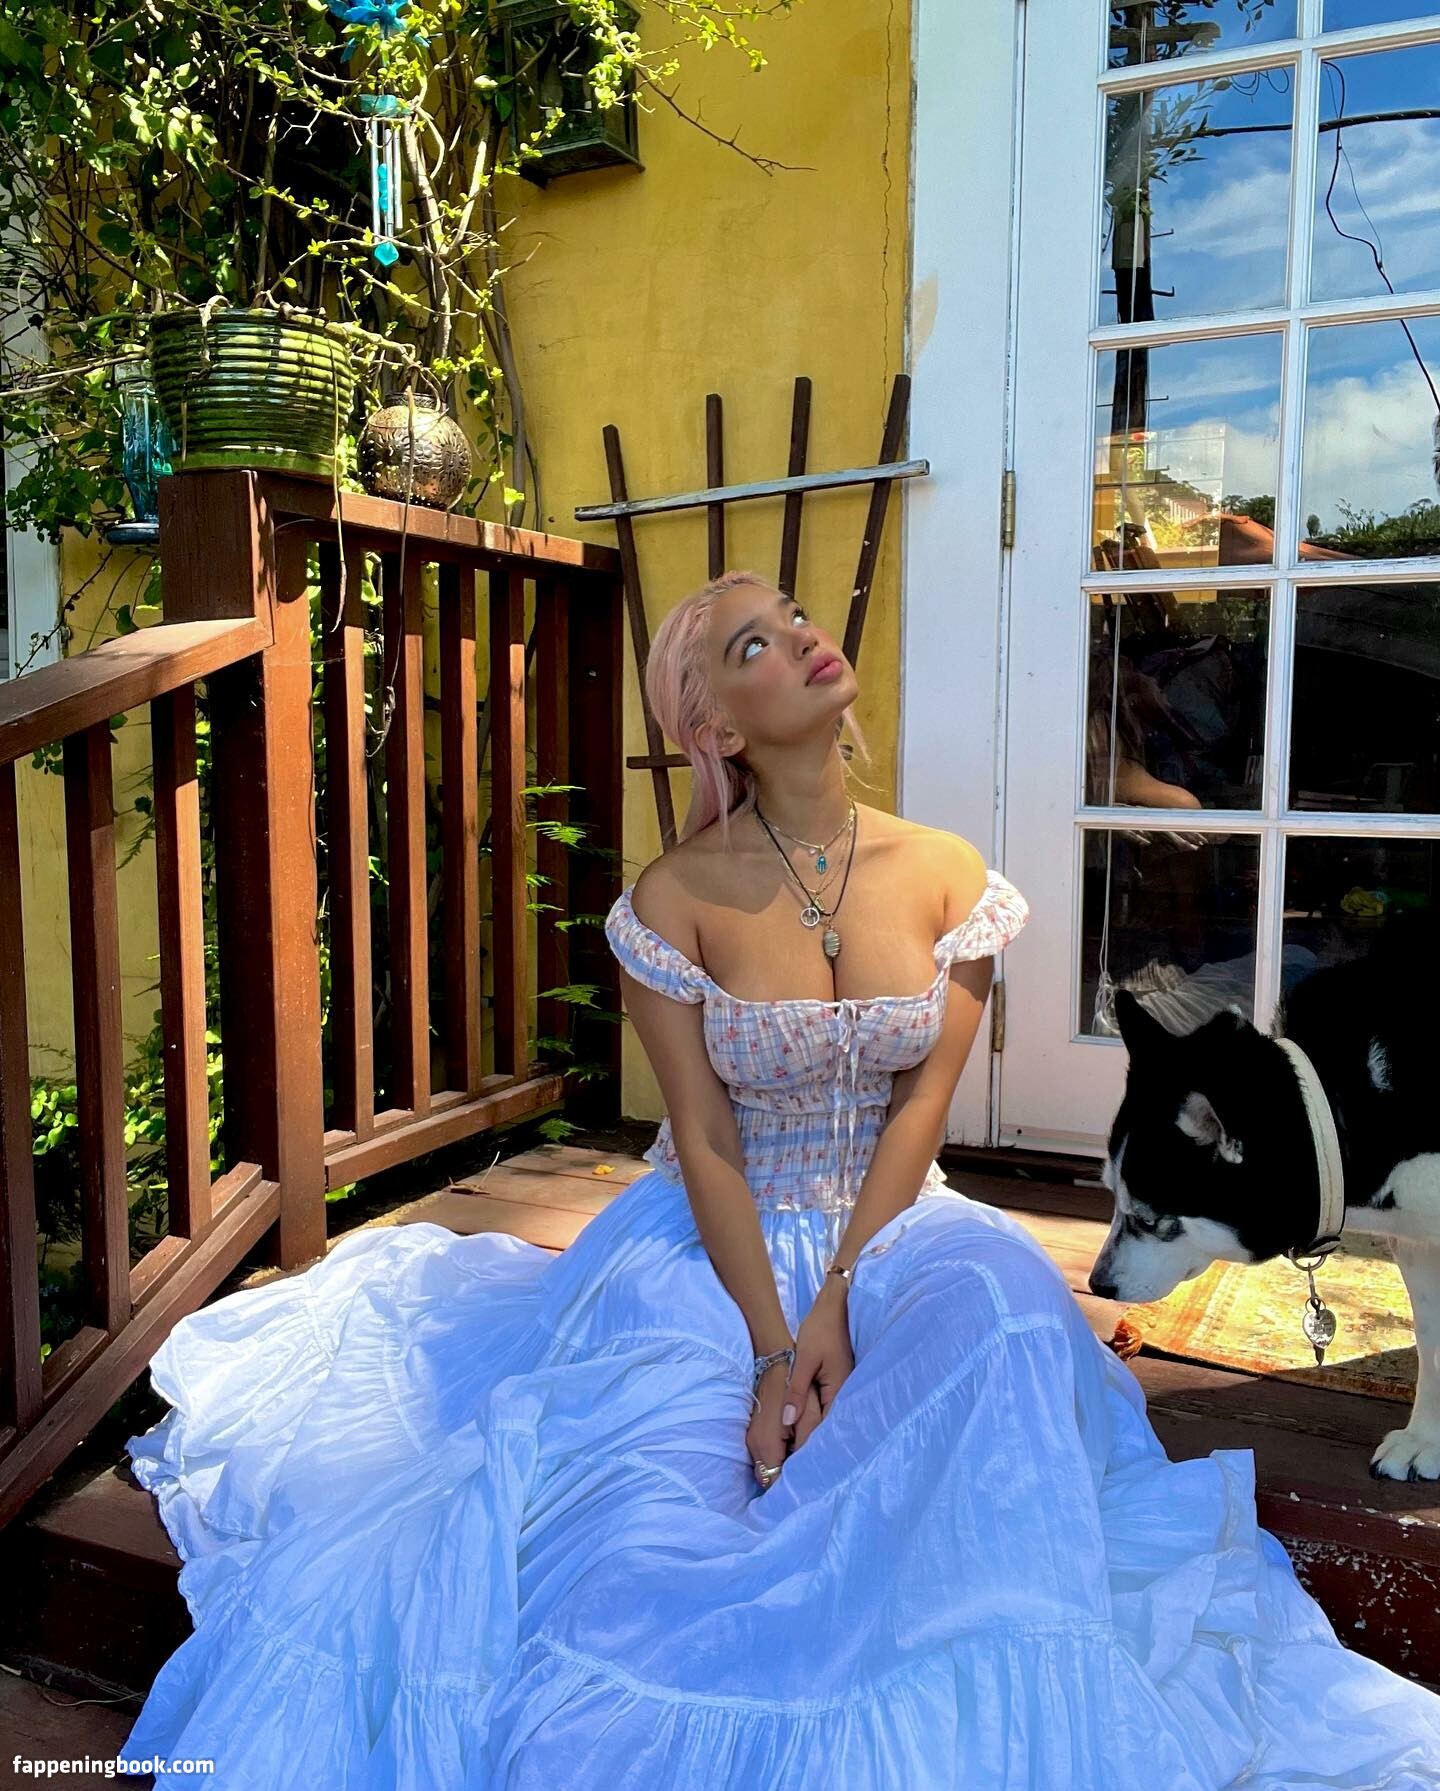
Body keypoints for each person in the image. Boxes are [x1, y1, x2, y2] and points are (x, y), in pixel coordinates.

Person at [116, 569, 1440, 1788]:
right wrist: (773, 1346)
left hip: (901, 1220)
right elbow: (703, 1139)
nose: (804, 638)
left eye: (796, 616)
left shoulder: (950, 876)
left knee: (1001, 1330)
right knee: (642, 1497)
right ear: (716, 726)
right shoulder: (673, 898)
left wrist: (839, 1305)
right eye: (755, 643)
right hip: (714, 1236)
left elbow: (923, 1105)